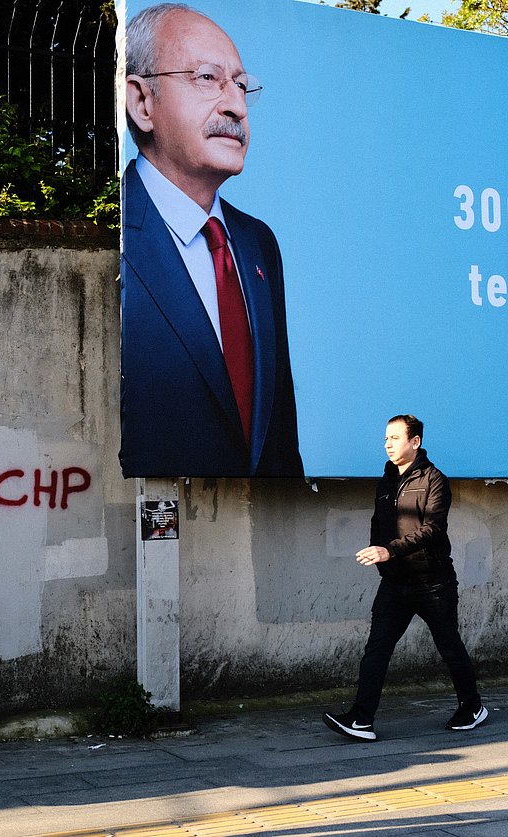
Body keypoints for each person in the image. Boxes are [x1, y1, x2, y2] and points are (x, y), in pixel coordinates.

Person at [120, 3, 302, 477]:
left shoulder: (258, 243)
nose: (236, 106)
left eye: (241, 85)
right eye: (207, 78)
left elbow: (278, 432)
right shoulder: (110, 230)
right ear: (142, 102)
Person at [324, 415, 486, 741]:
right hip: (395, 584)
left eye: (395, 438)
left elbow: (432, 530)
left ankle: (472, 707)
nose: (387, 443)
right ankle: (361, 719)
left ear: (415, 442)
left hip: (433, 583)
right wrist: (380, 554)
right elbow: (378, 525)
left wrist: (389, 551)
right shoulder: (386, 481)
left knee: (449, 647)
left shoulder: (434, 480)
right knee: (377, 650)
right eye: (386, 438)